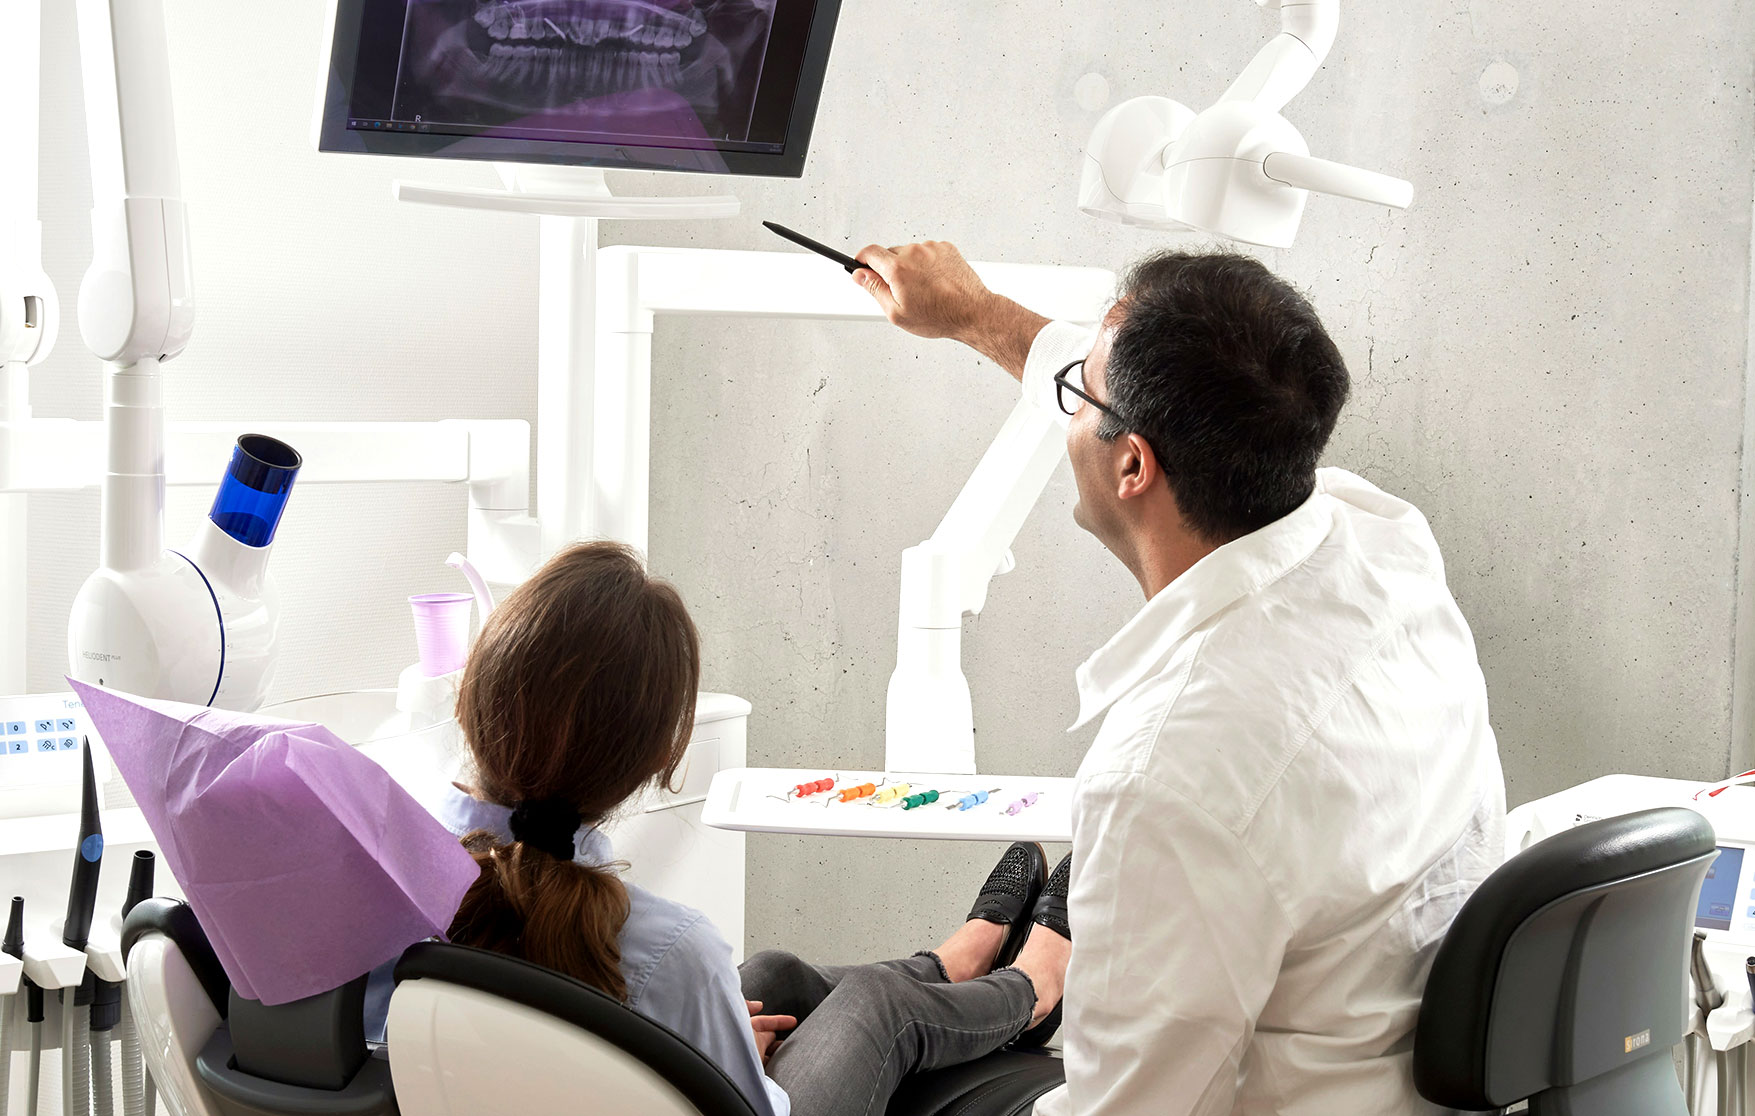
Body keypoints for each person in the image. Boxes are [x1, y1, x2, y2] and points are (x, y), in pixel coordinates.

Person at [851, 242, 1508, 1114]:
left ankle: (1003, 986)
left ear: (1133, 467)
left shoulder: (1169, 775)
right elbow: (1130, 394)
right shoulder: (1385, 544)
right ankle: (1013, 986)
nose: (1069, 409)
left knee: (865, 1043)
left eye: (1078, 397)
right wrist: (972, 312)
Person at [436, 539, 1075, 1116]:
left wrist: (708, 1037)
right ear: (662, 758)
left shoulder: (395, 883)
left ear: (473, 687)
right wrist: (731, 1065)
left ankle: (946, 967)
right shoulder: (673, 950)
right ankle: (1032, 990)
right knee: (878, 1002)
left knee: (770, 975)